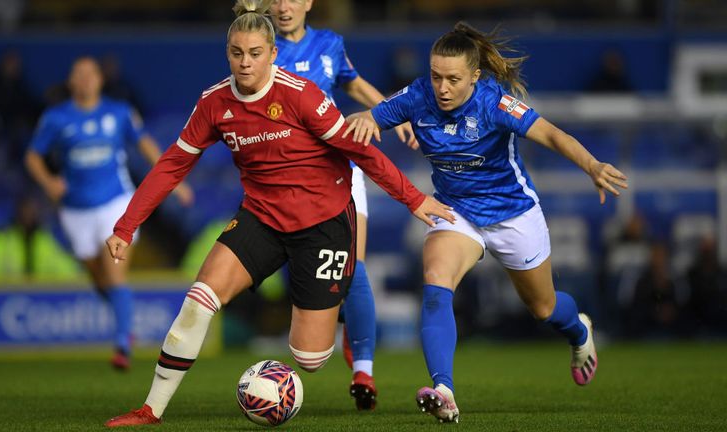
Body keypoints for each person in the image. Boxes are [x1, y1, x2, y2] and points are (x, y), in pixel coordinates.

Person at [103, 0, 452, 427]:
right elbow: (172, 163)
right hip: (262, 217)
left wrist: (415, 200)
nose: (245, 63)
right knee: (199, 300)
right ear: (227, 52)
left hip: (324, 223)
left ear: (272, 53)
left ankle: (332, 319)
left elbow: (361, 152)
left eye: (254, 53)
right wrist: (127, 224)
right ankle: (151, 409)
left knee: (309, 358)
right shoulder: (214, 103)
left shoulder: (302, 95)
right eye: (236, 53)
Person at [346, 22, 628, 423]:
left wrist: (592, 165)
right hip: (456, 211)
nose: (442, 87)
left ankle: (580, 331)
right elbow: (372, 117)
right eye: (436, 76)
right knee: (435, 281)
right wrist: (365, 120)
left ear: (475, 76)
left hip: (513, 213)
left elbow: (550, 134)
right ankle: (444, 389)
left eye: (453, 79)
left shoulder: (495, 103)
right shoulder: (417, 95)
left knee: (544, 308)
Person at [268, 0, 418, 411]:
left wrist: (392, 113)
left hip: (339, 166)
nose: (283, 6)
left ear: (308, 3)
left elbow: (353, 84)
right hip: (288, 179)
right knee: (317, 271)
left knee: (354, 264)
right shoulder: (259, 47)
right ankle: (335, 330)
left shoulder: (330, 43)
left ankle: (363, 368)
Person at [25, 56, 193, 370]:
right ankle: (124, 319)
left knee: (114, 272)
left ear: (100, 80)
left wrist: (175, 183)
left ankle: (121, 343)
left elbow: (145, 146)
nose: (86, 79)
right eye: (80, 74)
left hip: (116, 205)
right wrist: (49, 182)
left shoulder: (119, 113)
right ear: (71, 81)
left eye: (92, 74)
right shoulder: (56, 118)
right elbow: (33, 157)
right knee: (99, 277)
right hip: (76, 211)